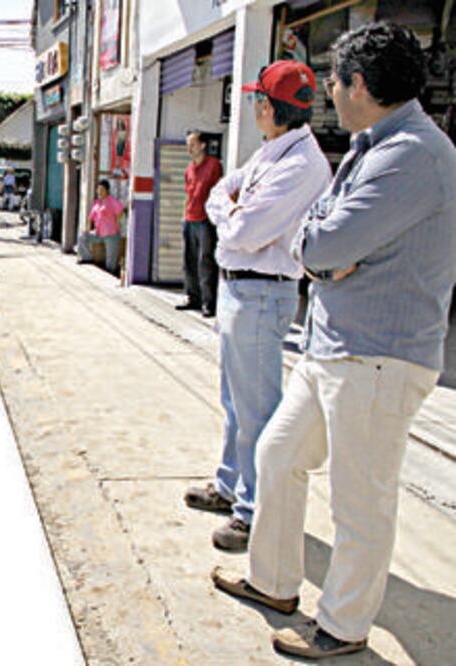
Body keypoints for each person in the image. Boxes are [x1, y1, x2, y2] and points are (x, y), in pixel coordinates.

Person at [212, 23, 456, 660]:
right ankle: (273, 581)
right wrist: (319, 246)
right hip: (333, 346)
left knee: (361, 501)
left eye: (337, 81)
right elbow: (317, 235)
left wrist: (319, 247)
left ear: (363, 86)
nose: (331, 92)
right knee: (276, 456)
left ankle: (344, 626)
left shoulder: (413, 156)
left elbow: (319, 243)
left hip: (378, 354)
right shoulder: (371, 145)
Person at [183, 60, 331, 552]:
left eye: (255, 100)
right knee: (234, 401)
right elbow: (219, 197)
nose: (252, 108)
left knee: (257, 411)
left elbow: (244, 229)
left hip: (264, 290)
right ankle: (230, 485)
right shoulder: (273, 152)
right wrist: (233, 208)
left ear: (267, 106)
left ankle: (253, 511)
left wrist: (232, 212)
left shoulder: (301, 165)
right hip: (240, 287)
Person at [177, 131, 223, 317]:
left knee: (206, 261)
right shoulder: (189, 169)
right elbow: (188, 194)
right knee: (189, 261)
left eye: (193, 144)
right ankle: (192, 297)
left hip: (206, 220)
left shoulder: (213, 165)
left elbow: (218, 191)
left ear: (203, 145)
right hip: (189, 218)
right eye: (188, 144)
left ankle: (209, 302)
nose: (189, 148)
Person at [76, 179, 125, 275]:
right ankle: (87, 258)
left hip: (111, 233)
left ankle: (110, 273)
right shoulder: (97, 203)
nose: (99, 191)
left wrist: (117, 222)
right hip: (98, 233)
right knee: (82, 237)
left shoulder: (111, 200)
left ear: (107, 190)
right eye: (98, 189)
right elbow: (91, 217)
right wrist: (87, 229)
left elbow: (121, 210)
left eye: (102, 189)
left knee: (111, 259)